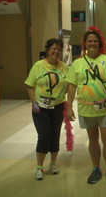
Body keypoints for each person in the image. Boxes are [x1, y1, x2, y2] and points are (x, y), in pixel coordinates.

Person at [65, 26, 106, 185]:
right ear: (85, 44)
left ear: (100, 43)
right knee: (92, 139)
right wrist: (69, 106)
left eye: (95, 41)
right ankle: (96, 169)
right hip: (86, 109)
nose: (92, 44)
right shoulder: (77, 63)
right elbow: (71, 85)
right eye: (89, 41)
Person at [25, 38, 69, 181]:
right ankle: (39, 167)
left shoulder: (64, 68)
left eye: (58, 49)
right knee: (44, 136)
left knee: (55, 135)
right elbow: (29, 85)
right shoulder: (38, 66)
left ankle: (54, 163)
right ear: (48, 50)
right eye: (53, 48)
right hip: (41, 109)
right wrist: (34, 103)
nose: (56, 51)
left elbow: (70, 84)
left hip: (58, 107)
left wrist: (64, 97)